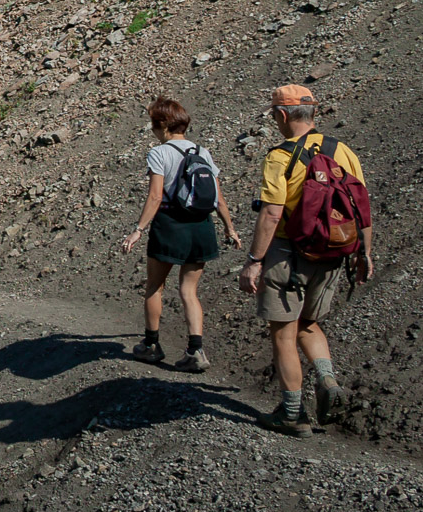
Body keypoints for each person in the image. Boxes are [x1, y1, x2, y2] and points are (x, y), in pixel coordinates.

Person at [238, 84, 373, 437]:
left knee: (283, 333)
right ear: (313, 113)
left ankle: (293, 414)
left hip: (289, 252)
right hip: (334, 252)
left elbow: (271, 213)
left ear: (283, 115)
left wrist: (254, 260)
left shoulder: (280, 157)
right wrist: (365, 253)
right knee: (309, 323)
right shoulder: (342, 150)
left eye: (273, 115)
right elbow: (361, 206)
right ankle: (328, 380)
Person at [121, 96, 241, 372]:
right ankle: (196, 351)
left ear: (161, 125)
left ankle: (151, 345)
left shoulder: (159, 153)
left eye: (153, 124)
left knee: (155, 286)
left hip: (170, 225)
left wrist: (138, 230)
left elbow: (154, 197)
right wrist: (230, 228)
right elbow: (219, 198)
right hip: (201, 225)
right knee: (189, 290)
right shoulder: (203, 151)